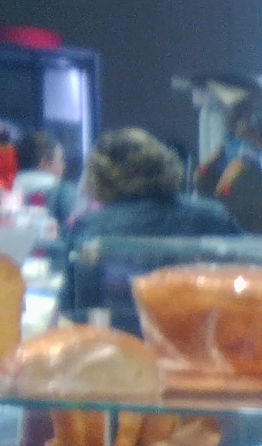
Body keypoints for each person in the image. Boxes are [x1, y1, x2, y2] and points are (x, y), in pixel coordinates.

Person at [65, 127, 242, 329]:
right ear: (165, 163)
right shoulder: (213, 217)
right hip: (200, 339)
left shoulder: (90, 229)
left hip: (119, 343)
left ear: (98, 178)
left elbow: (74, 313)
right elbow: (246, 288)